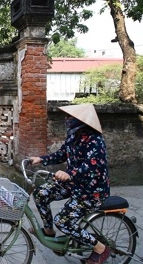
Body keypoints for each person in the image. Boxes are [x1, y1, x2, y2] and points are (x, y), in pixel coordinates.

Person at [29, 103, 111, 264]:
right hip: (73, 184)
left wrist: (69, 174)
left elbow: (92, 167)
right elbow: (62, 154)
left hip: (91, 191)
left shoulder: (95, 140)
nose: (67, 119)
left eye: (71, 117)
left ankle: (100, 248)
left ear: (82, 120)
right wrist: (41, 159)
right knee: (40, 193)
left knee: (63, 221)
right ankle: (49, 231)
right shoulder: (73, 136)